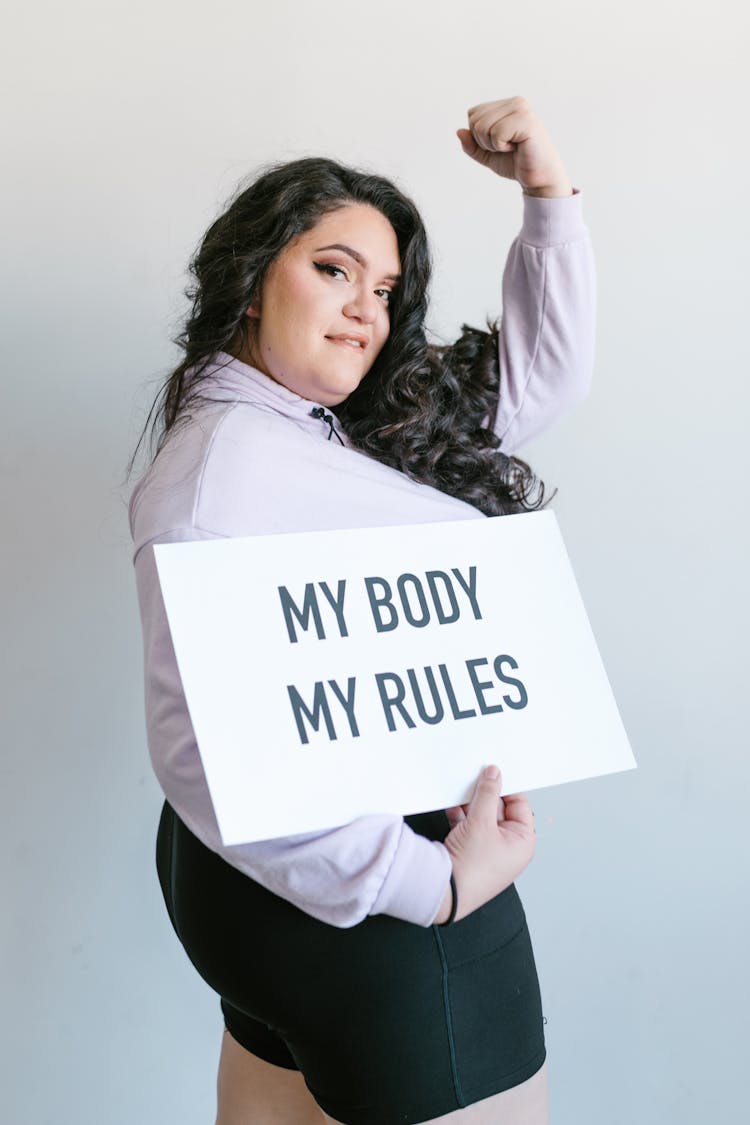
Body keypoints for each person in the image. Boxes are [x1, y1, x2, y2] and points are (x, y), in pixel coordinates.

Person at [128, 96, 596, 1124]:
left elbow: (537, 384)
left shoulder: (320, 421)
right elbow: (206, 751)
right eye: (334, 270)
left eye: (384, 288)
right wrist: (425, 885)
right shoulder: (224, 484)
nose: (365, 310)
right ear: (252, 279)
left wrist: (546, 192)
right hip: (373, 896)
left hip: (265, 893)